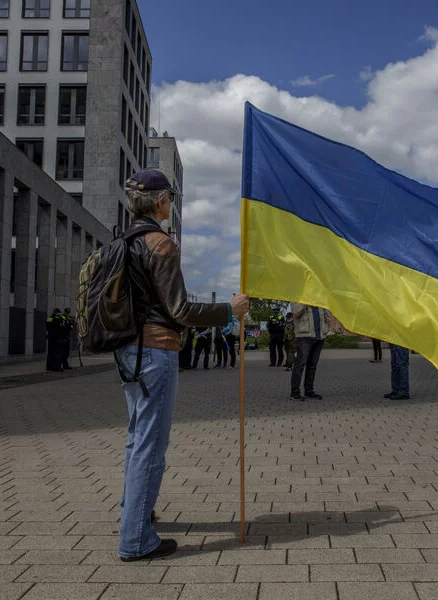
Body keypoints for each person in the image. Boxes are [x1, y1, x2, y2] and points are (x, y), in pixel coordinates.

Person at [116, 169, 248, 561]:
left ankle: (134, 515)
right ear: (160, 202)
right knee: (151, 445)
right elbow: (180, 310)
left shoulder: (122, 242)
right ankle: (136, 539)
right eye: (170, 199)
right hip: (155, 351)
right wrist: (230, 309)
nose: (171, 205)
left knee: (136, 438)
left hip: (126, 352)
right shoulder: (160, 244)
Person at [289, 302, 330, 400]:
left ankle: (309, 391)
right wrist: (306, 300)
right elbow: (295, 312)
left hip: (319, 335)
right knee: (300, 364)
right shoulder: (299, 297)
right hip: (304, 336)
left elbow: (327, 313)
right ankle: (294, 393)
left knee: (312, 365)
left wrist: (326, 327)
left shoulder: (319, 296)